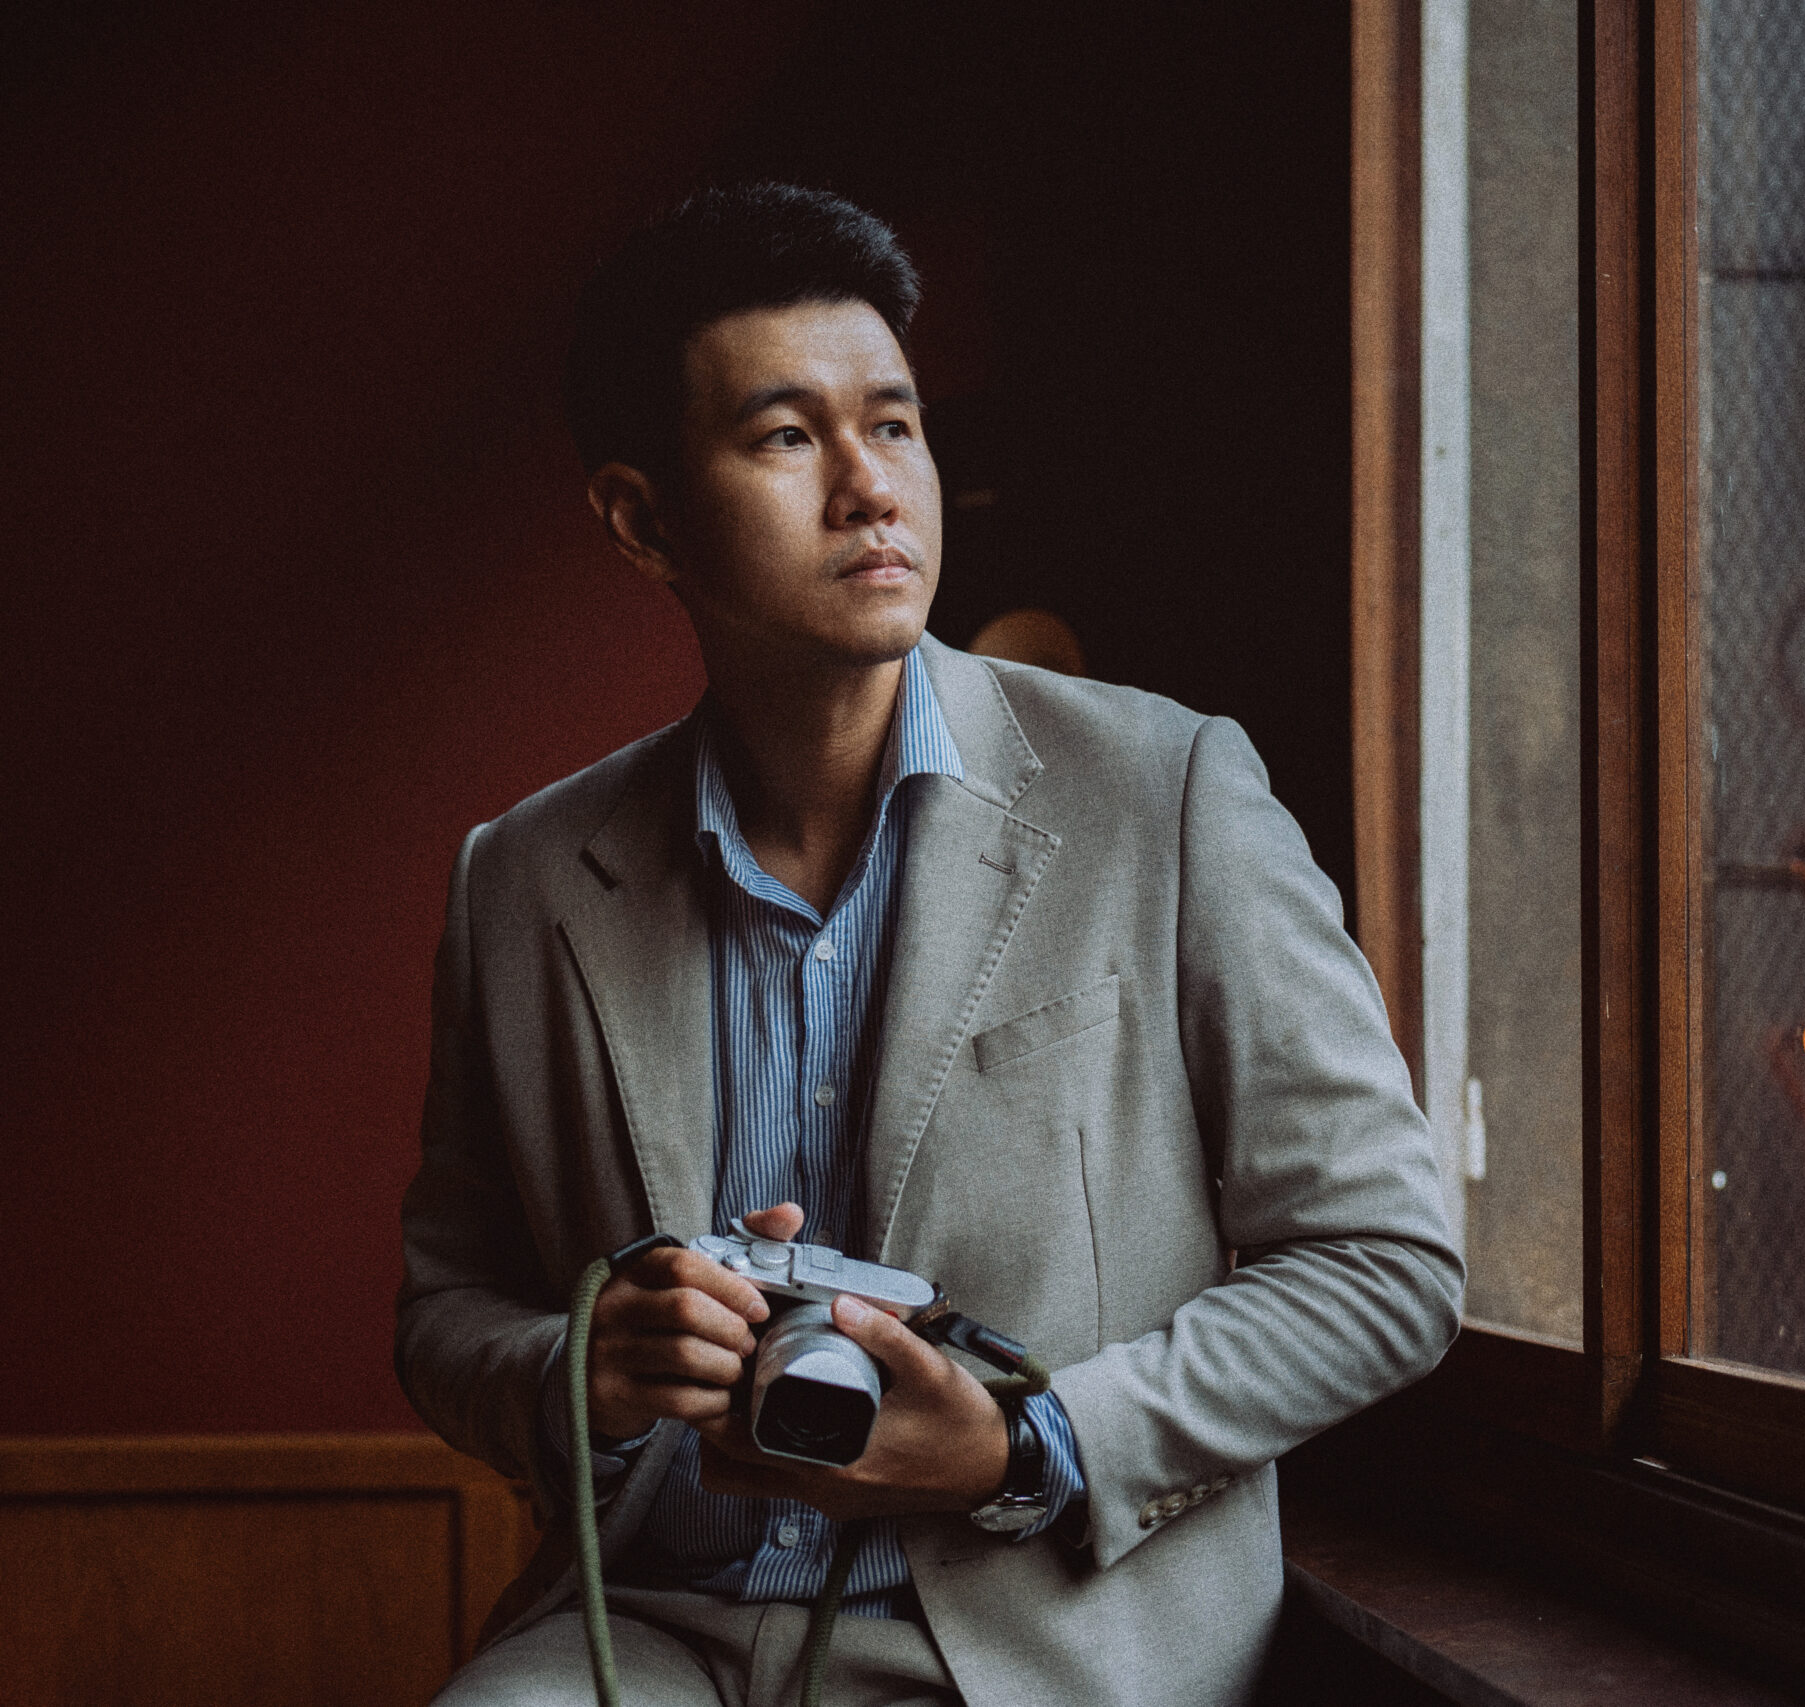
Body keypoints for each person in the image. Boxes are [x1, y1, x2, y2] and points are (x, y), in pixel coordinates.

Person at [397, 183, 1462, 1707]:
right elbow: (446, 1309)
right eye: (786, 438)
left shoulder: (1166, 793)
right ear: (642, 520)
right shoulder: (521, 877)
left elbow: (1386, 1263)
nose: (869, 488)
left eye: (893, 426)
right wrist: (590, 1368)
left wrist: (1031, 1443)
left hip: (1024, 1638)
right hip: (644, 1623)